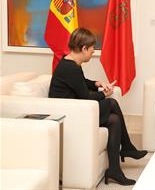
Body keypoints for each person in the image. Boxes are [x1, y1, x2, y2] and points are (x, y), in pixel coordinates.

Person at [49, 28, 147, 186]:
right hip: (70, 115)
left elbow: (81, 82)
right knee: (111, 103)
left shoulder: (69, 63)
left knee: (114, 120)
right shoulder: (71, 68)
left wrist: (96, 84)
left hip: (76, 109)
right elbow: (86, 97)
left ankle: (115, 169)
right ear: (84, 48)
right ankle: (127, 147)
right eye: (92, 48)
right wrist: (104, 94)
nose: (93, 52)